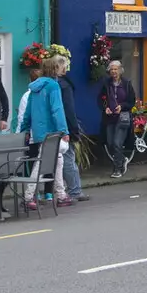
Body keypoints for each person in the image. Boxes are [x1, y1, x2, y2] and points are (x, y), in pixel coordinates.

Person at [17, 56, 70, 207]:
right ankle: (28, 196)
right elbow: (57, 110)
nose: (64, 69)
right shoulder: (53, 86)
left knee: (58, 159)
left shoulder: (35, 87)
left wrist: (25, 128)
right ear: (55, 68)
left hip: (38, 131)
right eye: (62, 66)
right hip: (52, 131)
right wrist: (64, 130)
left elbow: (28, 112)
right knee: (41, 163)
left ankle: (61, 193)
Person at [50, 55, 87, 201]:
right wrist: (73, 129)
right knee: (68, 157)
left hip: (49, 128)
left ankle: (51, 192)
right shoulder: (64, 86)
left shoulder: (48, 84)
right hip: (63, 127)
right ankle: (75, 191)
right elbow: (69, 109)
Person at [98, 60, 137, 179]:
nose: (114, 71)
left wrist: (122, 106)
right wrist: (105, 108)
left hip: (123, 117)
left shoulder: (126, 83)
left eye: (116, 69)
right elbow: (100, 99)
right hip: (110, 118)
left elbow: (131, 101)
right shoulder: (106, 83)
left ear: (120, 70)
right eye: (112, 69)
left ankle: (117, 169)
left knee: (117, 142)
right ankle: (122, 159)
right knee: (110, 143)